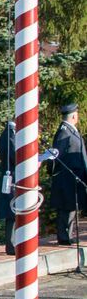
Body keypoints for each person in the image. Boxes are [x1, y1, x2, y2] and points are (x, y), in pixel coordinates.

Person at [49, 103, 86, 246]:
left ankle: (67, 235)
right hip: (66, 177)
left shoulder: (70, 130)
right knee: (66, 207)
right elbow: (56, 156)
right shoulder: (64, 132)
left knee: (71, 208)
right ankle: (64, 237)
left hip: (74, 177)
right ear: (74, 116)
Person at [0, 119, 17, 255]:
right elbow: (15, 157)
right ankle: (11, 245)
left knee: (14, 212)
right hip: (12, 178)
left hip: (12, 176)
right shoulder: (10, 135)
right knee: (12, 213)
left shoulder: (10, 133)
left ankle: (13, 243)